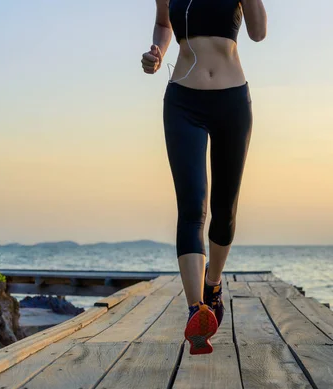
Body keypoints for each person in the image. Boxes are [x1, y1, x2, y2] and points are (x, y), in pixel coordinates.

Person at [141, 0, 267, 355]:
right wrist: (156, 53)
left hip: (232, 101)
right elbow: (164, 24)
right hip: (183, 101)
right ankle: (197, 311)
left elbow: (257, 33)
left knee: (225, 210)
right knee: (193, 206)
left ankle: (213, 284)